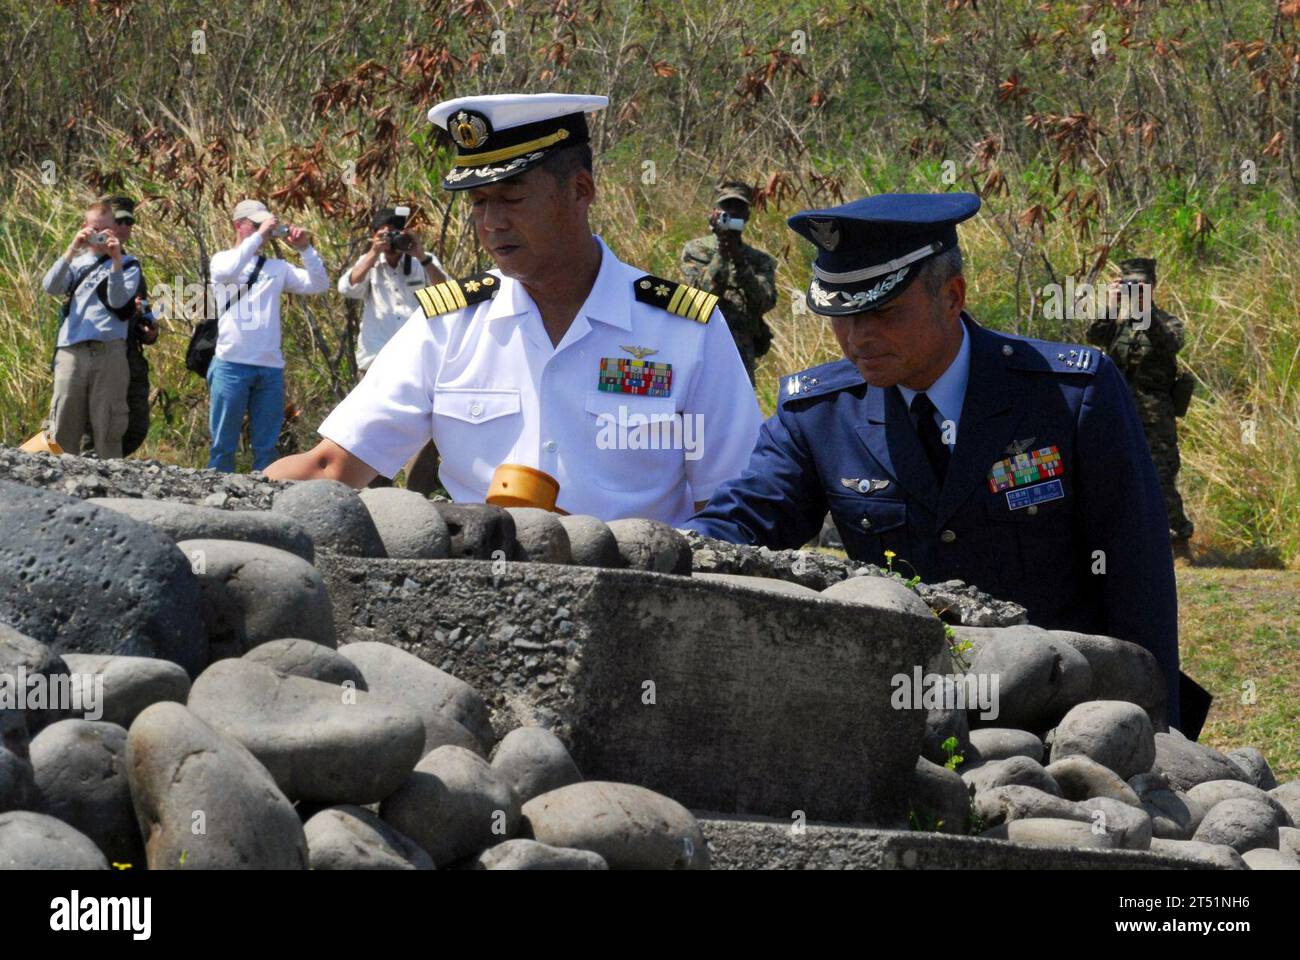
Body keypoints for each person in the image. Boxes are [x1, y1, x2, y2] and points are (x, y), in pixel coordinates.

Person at [683, 193, 1183, 727]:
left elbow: (1137, 577)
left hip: (1059, 711)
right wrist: (661, 550)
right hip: (904, 711)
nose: (858, 338)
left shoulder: (1068, 395)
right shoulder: (819, 413)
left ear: (952, 296)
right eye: (841, 315)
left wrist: (1157, 724)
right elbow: (746, 517)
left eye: (882, 311)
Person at [266, 93, 761, 525]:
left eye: (513, 198)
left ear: (580, 191)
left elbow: (729, 501)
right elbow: (331, 468)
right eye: (478, 202)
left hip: (636, 601)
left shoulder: (683, 329)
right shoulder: (448, 326)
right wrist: (221, 505)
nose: (492, 223)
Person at [206, 199, 327, 473]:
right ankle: (217, 500)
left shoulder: (277, 268)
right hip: (231, 364)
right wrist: (260, 235)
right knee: (223, 445)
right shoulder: (223, 260)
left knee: (266, 447)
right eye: (256, 224)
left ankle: (265, 499)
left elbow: (318, 284)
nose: (264, 230)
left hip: (270, 368)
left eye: (266, 224)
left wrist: (305, 249)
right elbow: (226, 271)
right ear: (239, 225)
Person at [1086, 257, 1195, 558]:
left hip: (1155, 414)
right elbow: (1094, 335)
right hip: (1119, 411)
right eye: (1130, 284)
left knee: (1161, 476)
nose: (1135, 290)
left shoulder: (1167, 322)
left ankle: (1178, 542)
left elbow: (1169, 344)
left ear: (1153, 287)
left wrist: (1145, 311)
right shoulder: (1117, 326)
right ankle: (1126, 544)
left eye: (1141, 285)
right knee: (1116, 475)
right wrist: (1110, 303)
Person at [338, 205, 446, 491]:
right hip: (375, 359)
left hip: (418, 361)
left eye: (395, 234)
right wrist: (374, 253)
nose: (391, 242)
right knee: (373, 431)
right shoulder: (370, 263)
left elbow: (447, 292)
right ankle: (379, 495)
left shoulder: (421, 261)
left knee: (423, 436)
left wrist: (421, 256)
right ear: (374, 236)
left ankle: (417, 496)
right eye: (383, 235)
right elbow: (346, 288)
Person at [41, 200, 143, 458]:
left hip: (109, 350)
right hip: (72, 349)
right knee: (64, 417)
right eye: (94, 229)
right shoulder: (76, 263)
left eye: (105, 229)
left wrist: (116, 259)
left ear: (113, 230)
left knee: (109, 422)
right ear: (85, 227)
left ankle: (110, 484)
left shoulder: (130, 265)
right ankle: (59, 476)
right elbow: (51, 287)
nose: (100, 234)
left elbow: (119, 300)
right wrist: (72, 248)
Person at [82, 196, 159, 457]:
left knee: (135, 424)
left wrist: (150, 327)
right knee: (94, 422)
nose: (126, 227)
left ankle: (107, 466)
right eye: (120, 221)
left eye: (130, 221)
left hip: (129, 353)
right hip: (97, 352)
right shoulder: (88, 263)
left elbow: (145, 307)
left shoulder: (132, 264)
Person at [679, 181, 778, 383]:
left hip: (741, 351)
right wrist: (722, 254)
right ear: (716, 212)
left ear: (747, 215)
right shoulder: (696, 250)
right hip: (701, 346)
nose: (732, 213)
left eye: (739, 208)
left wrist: (739, 260)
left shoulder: (759, 260)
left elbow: (764, 302)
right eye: (727, 207)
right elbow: (700, 298)